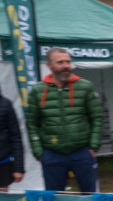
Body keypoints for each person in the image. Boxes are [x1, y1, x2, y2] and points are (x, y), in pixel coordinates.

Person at [26, 47, 103, 193]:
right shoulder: (38, 90)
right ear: (49, 65)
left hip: (82, 151)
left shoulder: (85, 86)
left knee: (90, 196)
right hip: (52, 153)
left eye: (68, 61)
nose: (66, 65)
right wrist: (38, 152)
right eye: (60, 62)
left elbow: (97, 117)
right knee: (55, 197)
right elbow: (32, 123)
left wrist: (93, 146)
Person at [0, 88, 24, 192]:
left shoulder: (6, 104)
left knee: (2, 198)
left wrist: (19, 168)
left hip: (3, 163)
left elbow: (16, 137)